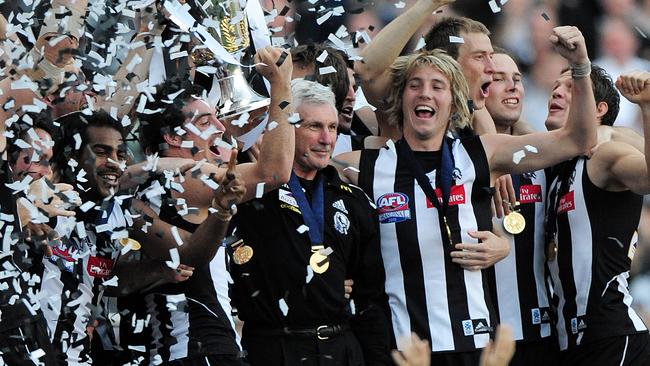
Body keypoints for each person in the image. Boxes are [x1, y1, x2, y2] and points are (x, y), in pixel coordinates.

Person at [333, 25, 597, 365]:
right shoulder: (363, 167)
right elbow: (298, 168)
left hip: (473, 346)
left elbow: (579, 140)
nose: (425, 94)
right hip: (400, 349)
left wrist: (581, 67)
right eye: (415, 85)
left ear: (454, 98)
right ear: (401, 99)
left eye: (437, 86)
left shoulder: (482, 154)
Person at [41, 110, 242, 364]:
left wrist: (220, 212)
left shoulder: (123, 212)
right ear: (72, 157)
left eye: (120, 154)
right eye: (102, 152)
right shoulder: (43, 204)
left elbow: (190, 253)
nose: (113, 161)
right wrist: (153, 166)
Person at [134, 45, 294, 365]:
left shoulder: (158, 177)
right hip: (197, 351)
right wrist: (281, 85)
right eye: (207, 120)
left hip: (202, 347)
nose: (220, 128)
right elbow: (274, 171)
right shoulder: (179, 179)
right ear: (174, 137)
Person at [230, 79, 391, 365]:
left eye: (331, 127)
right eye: (314, 127)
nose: (327, 139)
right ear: (286, 128)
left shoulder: (353, 200)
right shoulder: (252, 194)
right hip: (274, 349)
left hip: (342, 349)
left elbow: (372, 298)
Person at [544, 68, 650, 365]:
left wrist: (646, 108)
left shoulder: (605, 154)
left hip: (612, 335)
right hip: (568, 341)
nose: (557, 91)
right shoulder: (554, 165)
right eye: (555, 86)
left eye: (571, 86)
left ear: (599, 109)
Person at [484, 49, 558, 365]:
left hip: (539, 333)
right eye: (498, 79)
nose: (513, 86)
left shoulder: (545, 157)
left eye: (517, 79)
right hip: (477, 336)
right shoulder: (456, 154)